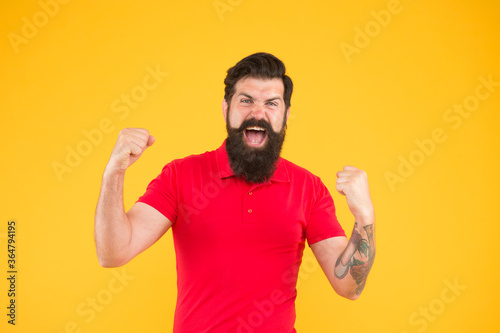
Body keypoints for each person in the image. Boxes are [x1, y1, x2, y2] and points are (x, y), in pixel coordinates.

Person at [94, 52, 376, 332]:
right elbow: (113, 253)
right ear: (226, 108)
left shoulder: (308, 188)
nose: (258, 112)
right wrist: (114, 173)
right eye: (246, 100)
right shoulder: (180, 175)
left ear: (285, 114)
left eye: (271, 103)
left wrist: (364, 217)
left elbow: (349, 285)